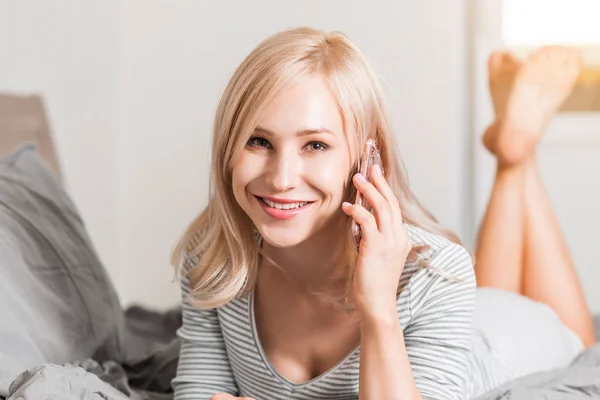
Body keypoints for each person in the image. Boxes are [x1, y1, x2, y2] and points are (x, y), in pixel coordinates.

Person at [170, 27, 594, 400]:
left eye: (314, 145)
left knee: (580, 338)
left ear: (366, 159)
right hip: (466, 312)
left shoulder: (437, 272)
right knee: (487, 285)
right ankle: (513, 154)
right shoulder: (214, 258)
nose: (281, 178)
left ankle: (516, 158)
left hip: (508, 340)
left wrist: (377, 305)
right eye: (259, 142)